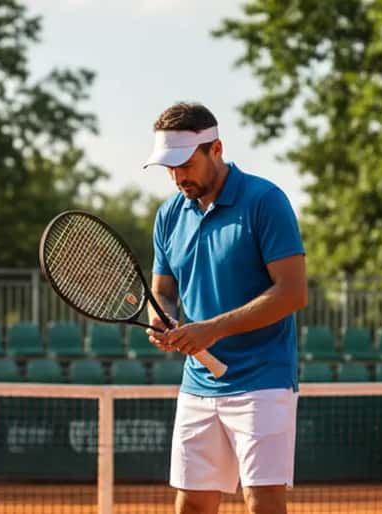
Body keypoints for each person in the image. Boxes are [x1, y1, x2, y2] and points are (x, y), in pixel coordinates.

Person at [142, 102, 307, 514]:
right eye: (169, 167)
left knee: (262, 504)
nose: (177, 176)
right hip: (198, 383)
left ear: (215, 149)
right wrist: (161, 318)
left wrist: (211, 329)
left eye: (185, 164)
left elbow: (292, 293)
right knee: (193, 505)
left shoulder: (265, 201)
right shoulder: (169, 215)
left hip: (263, 379)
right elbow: (162, 292)